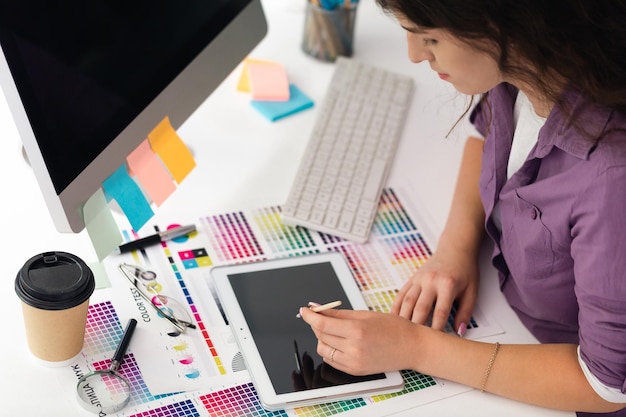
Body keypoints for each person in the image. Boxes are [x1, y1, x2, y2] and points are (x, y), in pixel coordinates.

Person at [299, 1, 626, 416]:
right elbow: (486, 133)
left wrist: (416, 347)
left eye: (430, 37)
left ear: (508, 25)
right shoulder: (527, 69)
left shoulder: (613, 179)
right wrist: (454, 249)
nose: (415, 54)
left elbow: (606, 385)